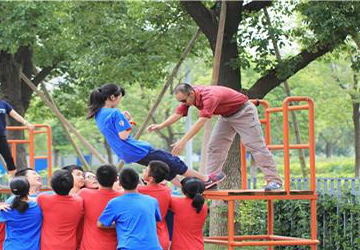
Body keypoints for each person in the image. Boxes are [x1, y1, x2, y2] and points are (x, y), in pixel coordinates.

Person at [87, 83, 224, 188]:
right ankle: (205, 179)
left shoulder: (98, 115)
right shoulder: (114, 112)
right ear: (112, 97)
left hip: (126, 153)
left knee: (162, 167)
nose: (119, 102)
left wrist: (124, 121)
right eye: (119, 98)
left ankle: (187, 188)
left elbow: (114, 131)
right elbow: (123, 135)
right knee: (172, 161)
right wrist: (128, 122)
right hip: (137, 149)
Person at [148, 83, 282, 190]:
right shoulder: (189, 98)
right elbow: (177, 114)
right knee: (214, 147)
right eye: (181, 101)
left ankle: (274, 181)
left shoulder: (209, 96)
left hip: (244, 112)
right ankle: (209, 182)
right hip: (226, 115)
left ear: (191, 93)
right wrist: (161, 125)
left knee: (255, 146)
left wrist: (183, 141)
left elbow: (201, 121)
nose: (184, 103)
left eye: (184, 100)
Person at [98, 168, 162, 250]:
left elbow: (101, 224)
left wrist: (118, 223)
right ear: (138, 181)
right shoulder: (152, 201)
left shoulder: (115, 203)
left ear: (120, 183)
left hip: (129, 247)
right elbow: (156, 219)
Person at [37, 170, 83, 250]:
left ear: (52, 184)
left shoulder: (43, 198)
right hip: (69, 246)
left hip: (48, 246)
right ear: (72, 185)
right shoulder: (78, 201)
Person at [79, 165, 122, 250]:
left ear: (96, 178)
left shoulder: (84, 193)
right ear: (116, 179)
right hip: (114, 246)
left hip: (89, 247)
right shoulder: (122, 197)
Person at [0, 177, 42, 250]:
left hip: (11, 247)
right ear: (28, 189)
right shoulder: (39, 206)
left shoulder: (6, 208)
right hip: (33, 247)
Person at [138, 160, 172, 250]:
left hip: (144, 238)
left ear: (151, 178)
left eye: (146, 170)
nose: (143, 170)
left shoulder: (139, 190)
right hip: (162, 237)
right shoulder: (167, 191)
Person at [169, 177, 208, 250]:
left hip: (179, 247)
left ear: (185, 192)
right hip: (198, 246)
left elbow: (163, 196)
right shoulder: (203, 206)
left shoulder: (177, 202)